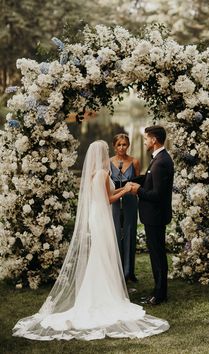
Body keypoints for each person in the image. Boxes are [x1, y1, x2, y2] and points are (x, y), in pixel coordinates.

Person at [12, 140, 169, 341]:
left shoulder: (93, 174)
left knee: (99, 253)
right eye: (105, 151)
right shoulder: (103, 174)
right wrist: (127, 189)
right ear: (101, 154)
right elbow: (109, 199)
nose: (107, 154)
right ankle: (104, 293)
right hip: (102, 216)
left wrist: (124, 189)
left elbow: (104, 196)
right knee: (104, 252)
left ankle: (96, 290)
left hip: (96, 215)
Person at [131, 126, 174, 305]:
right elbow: (149, 178)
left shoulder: (162, 161)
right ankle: (158, 290)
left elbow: (157, 194)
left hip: (155, 216)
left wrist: (137, 190)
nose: (145, 141)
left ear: (154, 139)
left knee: (157, 255)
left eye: (146, 138)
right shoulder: (159, 158)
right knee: (156, 254)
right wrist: (131, 182)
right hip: (153, 216)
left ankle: (160, 294)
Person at [110, 134, 139, 282]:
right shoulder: (108, 163)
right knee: (114, 233)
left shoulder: (134, 162)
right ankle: (116, 271)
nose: (122, 147)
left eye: (125, 144)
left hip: (130, 202)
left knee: (129, 233)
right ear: (114, 146)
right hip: (114, 203)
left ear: (128, 145)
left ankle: (128, 272)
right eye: (119, 145)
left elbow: (137, 183)